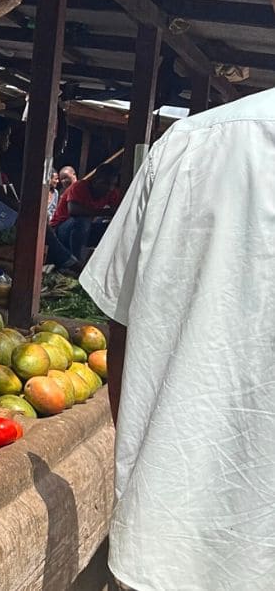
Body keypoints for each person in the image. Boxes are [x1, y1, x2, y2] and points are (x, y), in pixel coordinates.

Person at [79, 88, 275, 591]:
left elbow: (119, 327)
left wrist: (145, 464)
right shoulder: (188, 142)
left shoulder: (191, 145)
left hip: (168, 533)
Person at [50, 164, 121, 261]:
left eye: (113, 184)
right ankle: (75, 262)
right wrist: (106, 212)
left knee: (110, 226)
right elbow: (73, 210)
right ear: (95, 180)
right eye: (106, 183)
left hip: (83, 231)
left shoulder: (111, 192)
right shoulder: (79, 186)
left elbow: (116, 211)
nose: (110, 188)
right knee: (83, 220)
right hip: (61, 231)